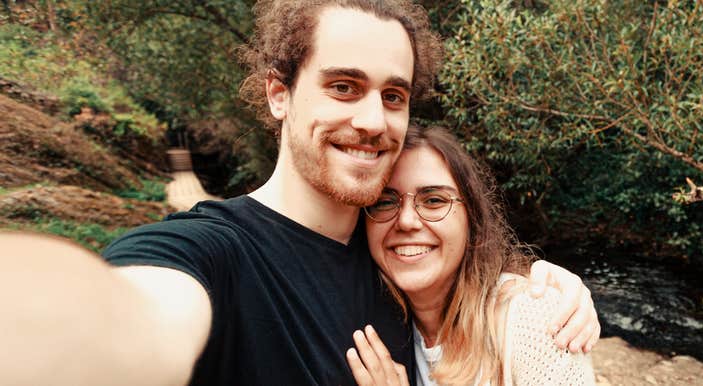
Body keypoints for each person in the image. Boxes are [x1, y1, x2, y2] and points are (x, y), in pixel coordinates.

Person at [0, 1, 598, 385]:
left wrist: (547, 290)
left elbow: (480, 294)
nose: (373, 120)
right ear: (278, 93)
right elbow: (127, 316)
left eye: (394, 96)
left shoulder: (392, 258)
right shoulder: (214, 254)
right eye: (343, 86)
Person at [346, 125, 596, 385]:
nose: (407, 221)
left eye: (434, 200)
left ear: (472, 218)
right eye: (385, 202)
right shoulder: (375, 322)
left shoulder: (534, 322)